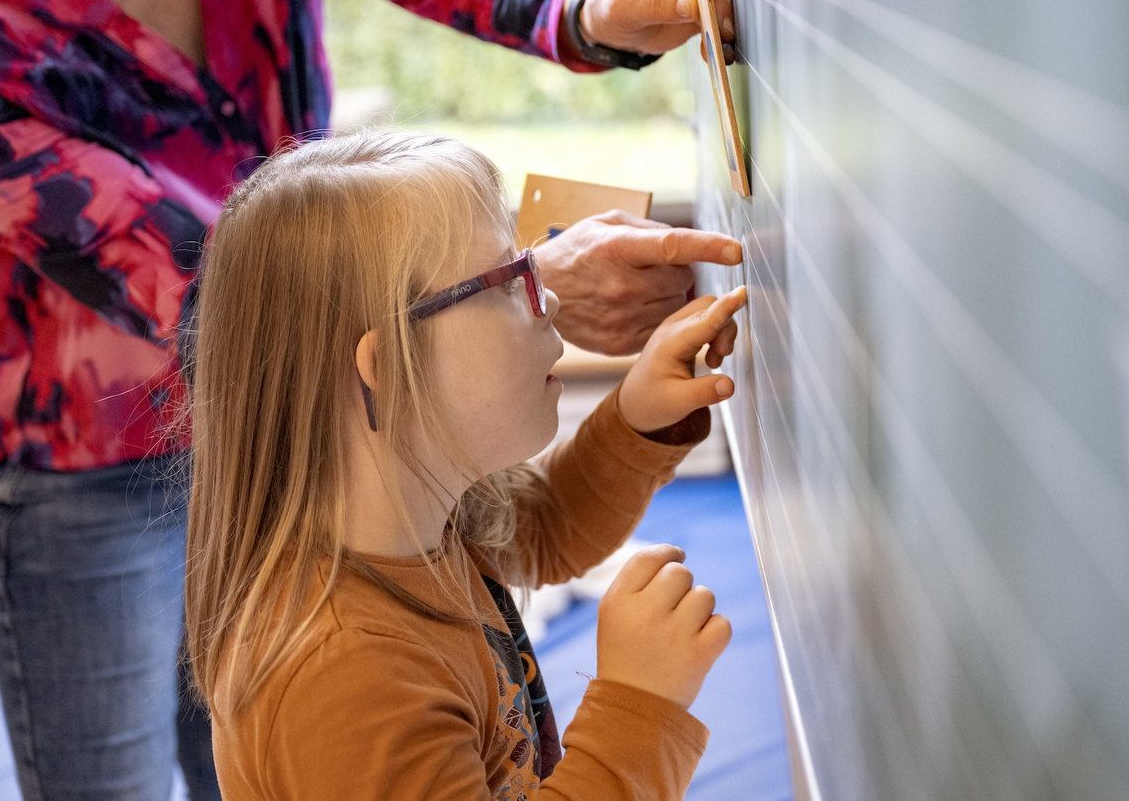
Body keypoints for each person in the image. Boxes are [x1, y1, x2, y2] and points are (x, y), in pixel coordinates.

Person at [0, 0, 739, 796]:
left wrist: (596, 4)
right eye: (510, 282)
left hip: (322, 406)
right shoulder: (339, 662)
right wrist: (637, 713)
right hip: (80, 453)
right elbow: (232, 299)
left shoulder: (413, 507)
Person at [185, 131, 746, 799]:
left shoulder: (413, 522)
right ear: (389, 368)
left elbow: (542, 527)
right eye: (512, 282)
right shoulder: (342, 676)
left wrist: (637, 415)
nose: (553, 302)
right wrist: (636, 705)